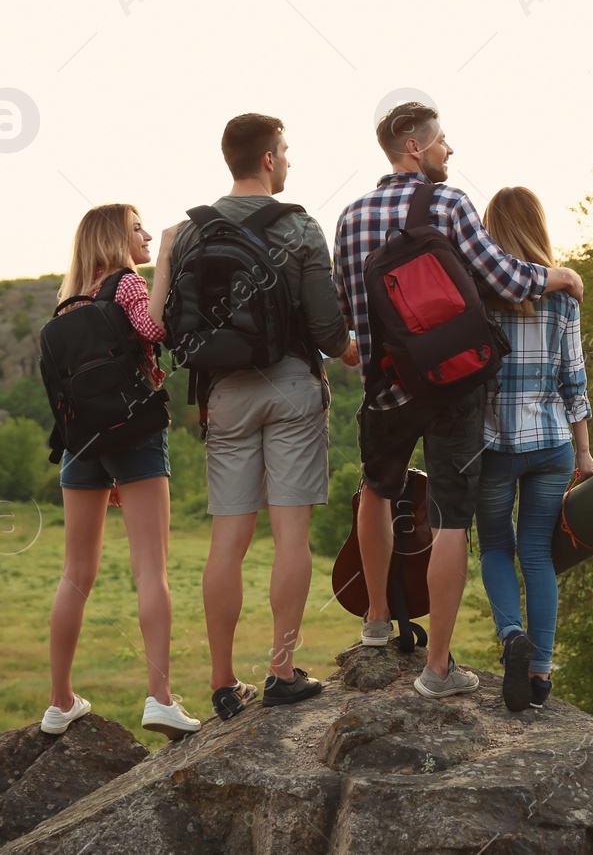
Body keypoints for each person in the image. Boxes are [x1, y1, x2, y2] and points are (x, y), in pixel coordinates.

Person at [333, 101, 585, 699]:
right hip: (453, 386)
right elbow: (504, 277)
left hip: (387, 388)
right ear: (414, 146)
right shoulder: (448, 205)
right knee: (451, 516)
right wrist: (562, 279)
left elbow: (346, 309)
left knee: (376, 489)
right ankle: (438, 668)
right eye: (443, 141)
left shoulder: (349, 217)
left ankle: (374, 620)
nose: (450, 150)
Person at [148, 114, 358, 722]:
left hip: (222, 395)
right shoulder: (298, 225)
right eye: (286, 151)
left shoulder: (188, 233)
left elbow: (160, 327)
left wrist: (164, 253)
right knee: (290, 534)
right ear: (268, 159)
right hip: (291, 384)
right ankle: (282, 672)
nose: (289, 160)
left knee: (228, 539)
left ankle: (221, 683)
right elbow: (325, 328)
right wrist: (349, 349)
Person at [42, 204, 201, 739]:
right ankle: (159, 698)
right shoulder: (126, 283)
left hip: (80, 442)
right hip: (134, 434)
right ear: (115, 237)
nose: (147, 235)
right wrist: (164, 265)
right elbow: (155, 329)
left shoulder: (69, 301)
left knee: (75, 574)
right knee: (150, 570)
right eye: (137, 228)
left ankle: (60, 701)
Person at [476, 187, 593, 712]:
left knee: (497, 547)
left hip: (495, 445)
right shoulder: (564, 294)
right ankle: (542, 674)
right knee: (539, 554)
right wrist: (586, 452)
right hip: (552, 445)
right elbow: (575, 379)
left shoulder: (477, 293)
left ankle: (510, 637)